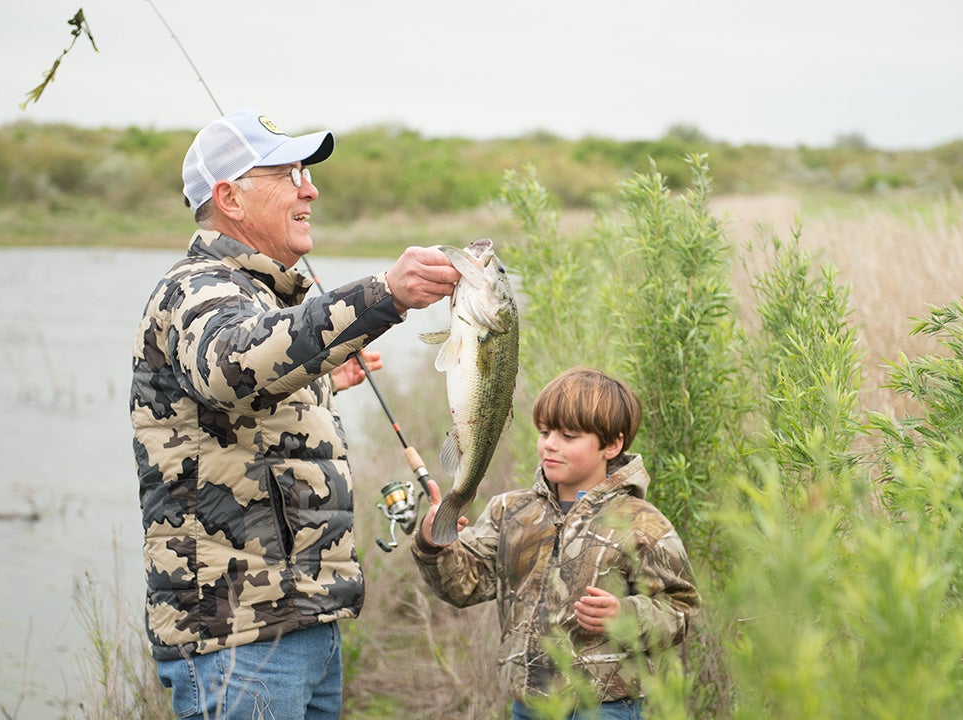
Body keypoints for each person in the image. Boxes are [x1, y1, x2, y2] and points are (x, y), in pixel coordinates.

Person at [130, 107, 461, 720]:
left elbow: (239, 402)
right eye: (289, 174)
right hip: (238, 637)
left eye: (307, 173)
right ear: (229, 197)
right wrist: (383, 294)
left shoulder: (259, 296)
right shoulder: (196, 287)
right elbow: (231, 365)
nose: (310, 188)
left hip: (303, 621)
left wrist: (321, 382)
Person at [412, 367, 700, 720]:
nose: (550, 444)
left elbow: (681, 609)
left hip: (606, 707)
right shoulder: (510, 511)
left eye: (568, 435)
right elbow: (464, 586)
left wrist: (624, 616)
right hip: (530, 704)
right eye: (545, 432)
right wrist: (432, 541)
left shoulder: (643, 523)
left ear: (612, 445)